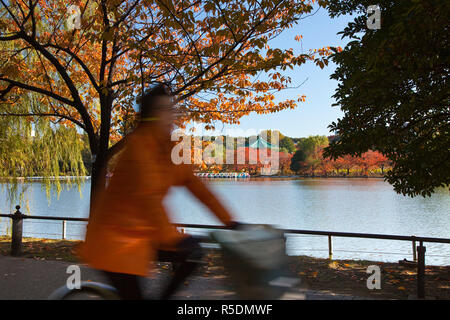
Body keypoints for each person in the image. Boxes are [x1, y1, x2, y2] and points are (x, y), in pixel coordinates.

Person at [77, 83, 239, 300]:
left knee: (194, 253)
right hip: (113, 240)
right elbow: (148, 198)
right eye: (165, 110)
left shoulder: (169, 148)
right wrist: (174, 238)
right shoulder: (138, 148)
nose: (172, 115)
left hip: (140, 235)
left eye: (172, 109)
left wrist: (230, 221)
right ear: (151, 115)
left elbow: (195, 185)